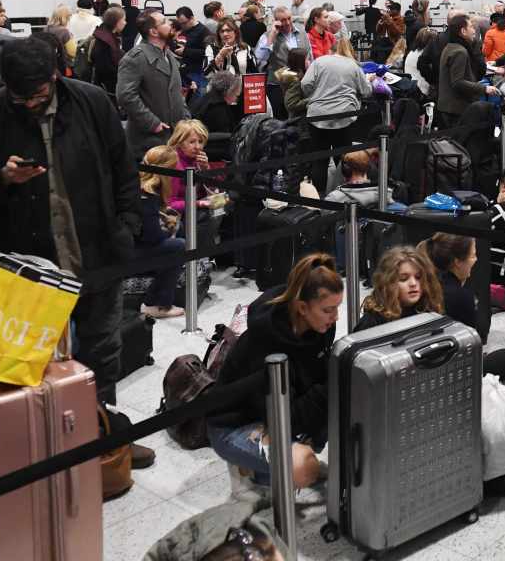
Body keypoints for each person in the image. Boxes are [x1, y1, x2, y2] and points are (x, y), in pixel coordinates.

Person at [0, 36, 147, 473]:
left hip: (97, 252)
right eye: (19, 97)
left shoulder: (92, 102)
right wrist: (2, 179)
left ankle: (101, 436)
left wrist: (128, 227)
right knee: (33, 362)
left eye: (37, 95)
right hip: (28, 264)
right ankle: (44, 452)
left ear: (55, 77)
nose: (28, 104)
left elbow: (123, 167)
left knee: (102, 349)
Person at [207, 254, 340, 489]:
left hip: (280, 414)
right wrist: (328, 389)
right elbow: (283, 416)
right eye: (328, 310)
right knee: (304, 467)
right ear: (302, 307)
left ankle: (266, 472)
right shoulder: (264, 342)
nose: (335, 317)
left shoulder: (320, 327)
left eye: (337, 308)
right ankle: (252, 473)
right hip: (234, 425)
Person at [422, 233, 505, 381]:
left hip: (428, 362)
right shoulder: (460, 295)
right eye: (473, 256)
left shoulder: (433, 282)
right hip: (452, 371)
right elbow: (467, 347)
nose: (475, 260)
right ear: (457, 262)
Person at [116, 11, 189, 156]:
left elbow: (176, 93)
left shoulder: (168, 55)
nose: (170, 24)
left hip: (173, 138)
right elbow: (125, 96)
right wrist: (152, 123)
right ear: (154, 31)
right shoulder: (135, 58)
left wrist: (186, 120)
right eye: (164, 22)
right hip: (148, 143)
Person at [299, 49, 372, 188]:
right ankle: (344, 194)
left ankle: (318, 199)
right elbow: (366, 91)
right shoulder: (353, 65)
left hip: (317, 116)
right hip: (343, 116)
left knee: (319, 160)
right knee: (345, 159)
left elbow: (305, 84)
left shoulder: (319, 62)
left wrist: (315, 94)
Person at [135, 146, 189, 320]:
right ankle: (156, 303)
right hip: (129, 250)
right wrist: (168, 230)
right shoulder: (147, 194)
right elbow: (152, 237)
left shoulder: (143, 187)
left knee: (177, 235)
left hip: (135, 244)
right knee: (178, 246)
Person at [353, 245, 446, 332]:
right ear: (388, 282)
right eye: (403, 279)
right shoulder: (371, 323)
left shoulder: (429, 309)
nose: (413, 284)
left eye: (418, 277)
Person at [436, 13, 499, 128]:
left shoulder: (450, 47)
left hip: (448, 107)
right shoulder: (460, 52)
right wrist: (485, 88)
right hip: (455, 109)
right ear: (463, 31)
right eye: (470, 27)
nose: (474, 30)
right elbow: (458, 82)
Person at [172, 6, 211, 94]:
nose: (182, 26)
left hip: (198, 73)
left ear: (192, 18)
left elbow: (208, 52)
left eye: (184, 23)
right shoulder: (183, 30)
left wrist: (186, 51)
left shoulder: (204, 31)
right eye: (180, 24)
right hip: (183, 73)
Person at [90, 6, 125, 94]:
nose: (125, 23)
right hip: (108, 88)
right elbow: (107, 67)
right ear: (116, 22)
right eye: (123, 20)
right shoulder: (106, 41)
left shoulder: (103, 35)